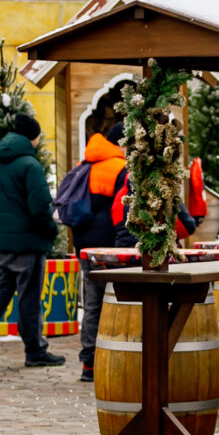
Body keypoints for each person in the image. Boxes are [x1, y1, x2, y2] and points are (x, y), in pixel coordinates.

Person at [0, 113, 65, 370]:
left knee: (0, 293)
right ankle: (35, 351)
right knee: (29, 298)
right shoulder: (31, 165)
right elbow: (40, 207)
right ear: (32, 137)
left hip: (3, 243)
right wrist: (51, 231)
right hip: (29, 244)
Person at [69, 114, 132, 382]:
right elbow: (121, 210)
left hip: (84, 244)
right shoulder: (120, 168)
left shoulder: (84, 164)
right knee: (113, 303)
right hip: (110, 247)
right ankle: (113, 361)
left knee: (92, 304)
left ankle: (89, 363)